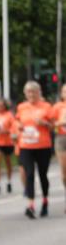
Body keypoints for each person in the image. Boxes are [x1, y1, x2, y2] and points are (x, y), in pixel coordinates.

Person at [15, 80, 54, 218]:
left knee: (43, 175)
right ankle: (30, 205)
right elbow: (18, 121)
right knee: (29, 174)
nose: (31, 94)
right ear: (25, 94)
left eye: (34, 91)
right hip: (26, 145)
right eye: (28, 92)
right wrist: (18, 126)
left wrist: (44, 123)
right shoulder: (21, 107)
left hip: (43, 146)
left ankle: (45, 201)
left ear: (39, 92)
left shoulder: (46, 106)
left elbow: (53, 126)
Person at [0, 98, 16, 194]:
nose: (0, 107)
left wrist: (7, 131)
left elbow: (14, 127)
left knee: (8, 163)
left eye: (2, 105)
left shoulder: (9, 115)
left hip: (8, 142)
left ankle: (9, 181)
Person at [52, 82, 66, 213]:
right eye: (64, 91)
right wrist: (60, 123)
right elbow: (51, 124)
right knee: (64, 173)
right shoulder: (57, 107)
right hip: (61, 138)